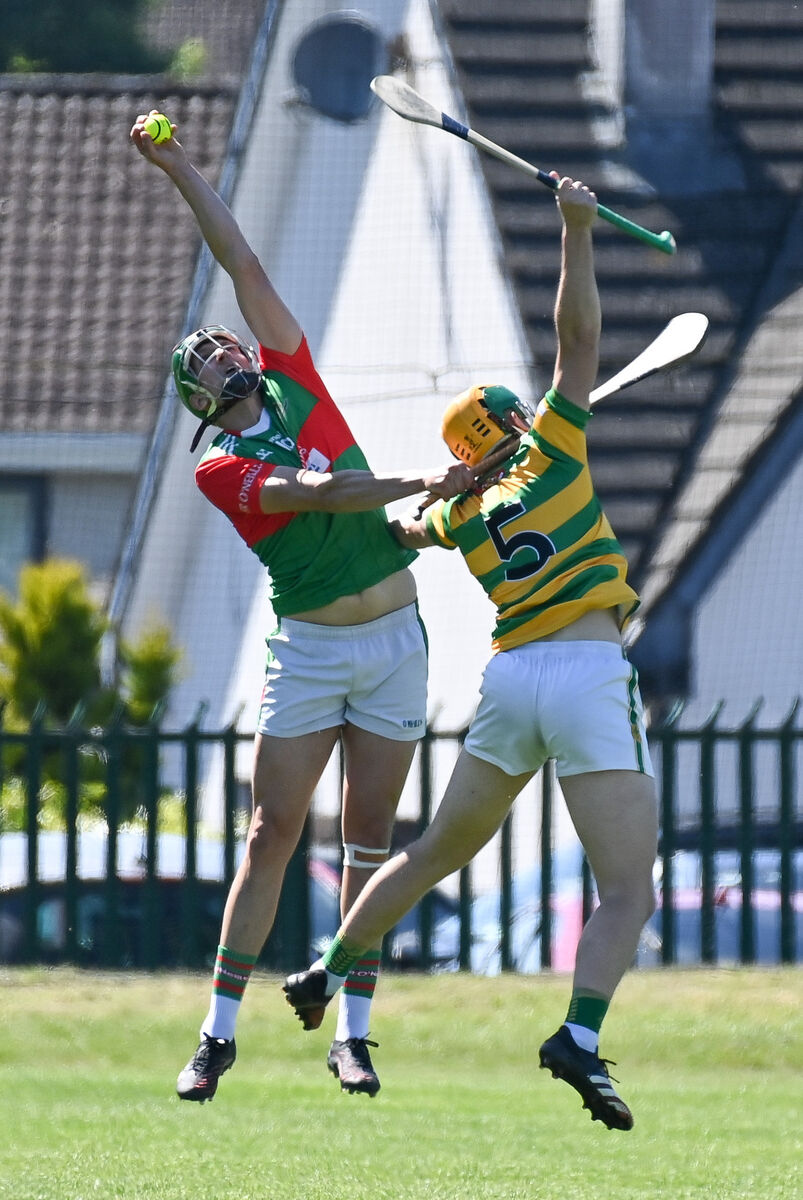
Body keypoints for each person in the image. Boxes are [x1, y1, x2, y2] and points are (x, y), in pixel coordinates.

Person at [130, 111, 506, 1103]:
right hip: (307, 654)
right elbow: (322, 496)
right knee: (271, 835)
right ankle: (216, 1035)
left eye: (222, 342)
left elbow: (238, 252)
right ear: (200, 397)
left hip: (392, 645)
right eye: (203, 357)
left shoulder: (292, 374)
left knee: (370, 841)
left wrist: (176, 166)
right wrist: (423, 480)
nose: (221, 349)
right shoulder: (220, 467)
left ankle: (354, 1032)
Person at [283, 176, 659, 1131]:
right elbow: (578, 344)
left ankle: (328, 965)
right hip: (584, 673)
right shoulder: (556, 452)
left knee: (431, 853)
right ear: (517, 429)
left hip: (508, 684)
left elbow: (401, 531)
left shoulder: (461, 512)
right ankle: (577, 1034)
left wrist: (417, 504)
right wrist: (575, 228)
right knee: (626, 889)